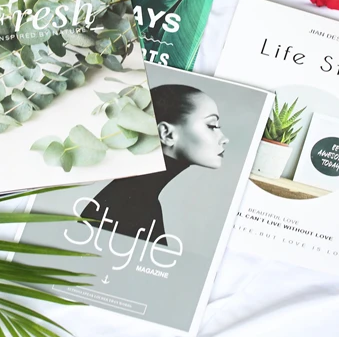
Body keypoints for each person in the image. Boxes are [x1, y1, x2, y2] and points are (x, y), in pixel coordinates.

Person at [81, 84, 229, 244]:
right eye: (212, 126)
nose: (225, 139)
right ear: (166, 133)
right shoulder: (135, 206)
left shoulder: (135, 198)